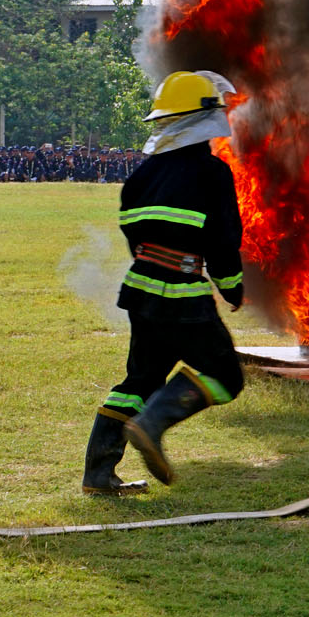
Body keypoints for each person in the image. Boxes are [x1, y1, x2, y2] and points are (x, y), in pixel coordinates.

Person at [81, 70, 247, 495]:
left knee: (140, 380)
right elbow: (223, 241)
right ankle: (152, 424)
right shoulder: (212, 172)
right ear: (206, 120)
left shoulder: (142, 175)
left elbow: (133, 234)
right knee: (225, 376)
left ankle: (99, 474)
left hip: (141, 291)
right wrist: (231, 287)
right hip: (183, 295)